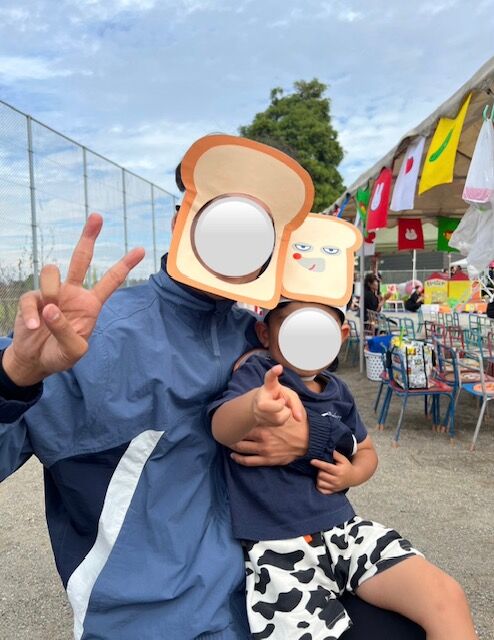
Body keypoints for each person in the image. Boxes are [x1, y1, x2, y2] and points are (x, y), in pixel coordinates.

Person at [0, 136, 428, 639]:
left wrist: (308, 441)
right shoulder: (90, 339)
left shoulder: (263, 337)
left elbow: (335, 424)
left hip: (279, 587)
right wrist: (16, 374)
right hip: (154, 622)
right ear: (184, 217)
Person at [211, 300, 477, 640]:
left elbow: (366, 453)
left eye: (319, 329)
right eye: (295, 327)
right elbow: (220, 428)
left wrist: (352, 475)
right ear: (265, 333)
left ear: (341, 335)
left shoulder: (340, 392)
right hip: (277, 550)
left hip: (345, 532)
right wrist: (253, 405)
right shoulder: (257, 375)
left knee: (446, 596)